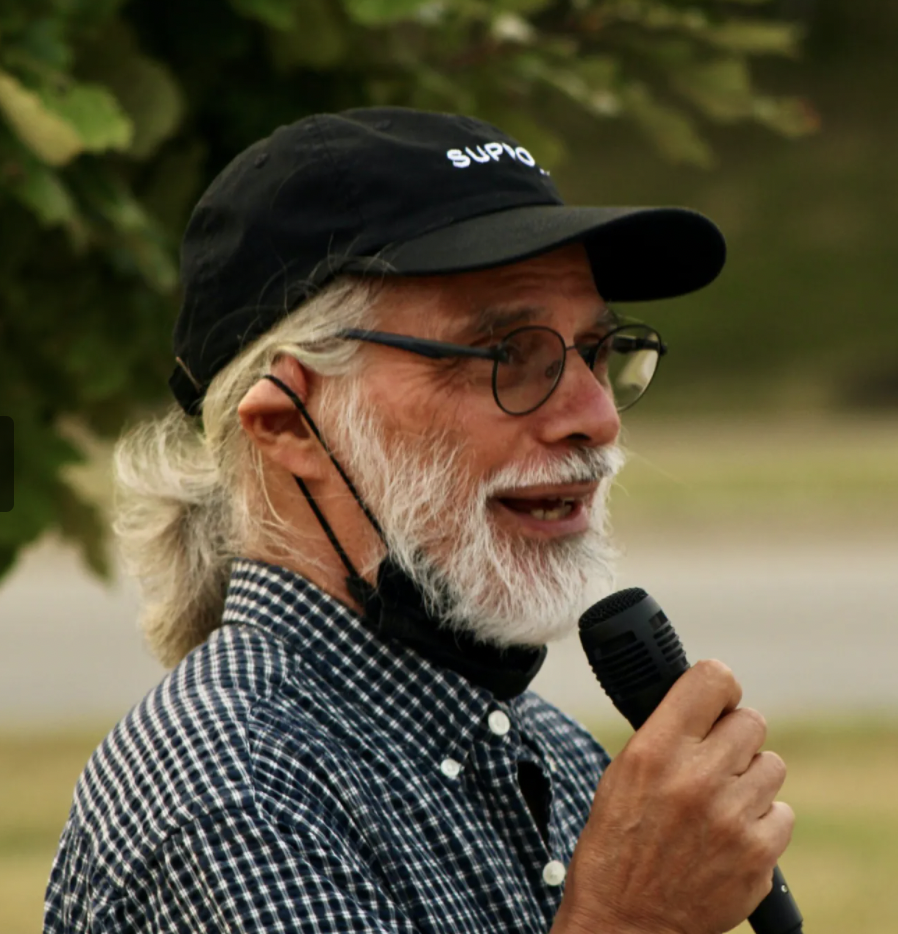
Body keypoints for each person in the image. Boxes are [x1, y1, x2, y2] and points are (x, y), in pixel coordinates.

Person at [45, 107, 793, 934]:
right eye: (508, 353)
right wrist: (633, 918)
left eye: (596, 352)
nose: (594, 415)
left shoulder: (547, 749)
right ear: (290, 421)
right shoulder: (237, 791)